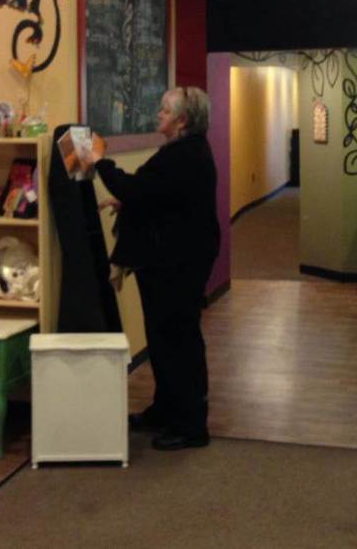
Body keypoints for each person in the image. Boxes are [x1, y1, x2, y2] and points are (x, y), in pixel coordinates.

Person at [80, 86, 221, 451]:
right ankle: (165, 409)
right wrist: (128, 202)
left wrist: (100, 161)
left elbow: (138, 189)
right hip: (171, 256)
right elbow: (159, 197)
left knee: (178, 340)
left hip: (179, 261)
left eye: (164, 111)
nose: (158, 115)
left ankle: (191, 426)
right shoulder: (183, 151)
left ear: (182, 120)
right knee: (162, 337)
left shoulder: (184, 156)